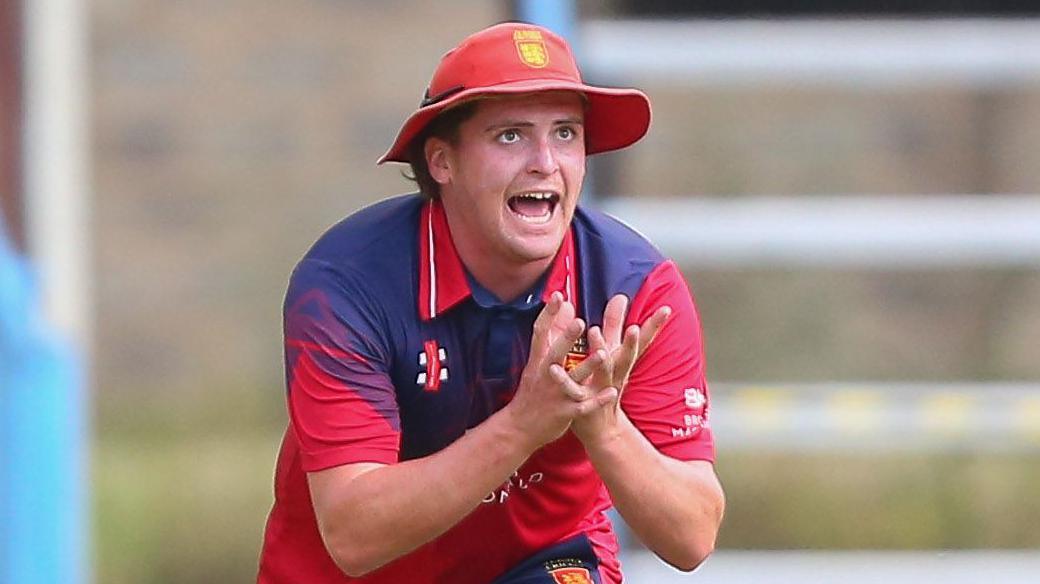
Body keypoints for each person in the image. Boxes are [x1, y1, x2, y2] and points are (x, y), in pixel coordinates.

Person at [257, 22, 724, 584]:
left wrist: (604, 426)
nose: (546, 162)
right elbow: (354, 534)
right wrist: (527, 423)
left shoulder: (636, 288)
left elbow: (693, 536)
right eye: (511, 136)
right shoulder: (346, 285)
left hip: (542, 564)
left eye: (566, 134)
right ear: (441, 161)